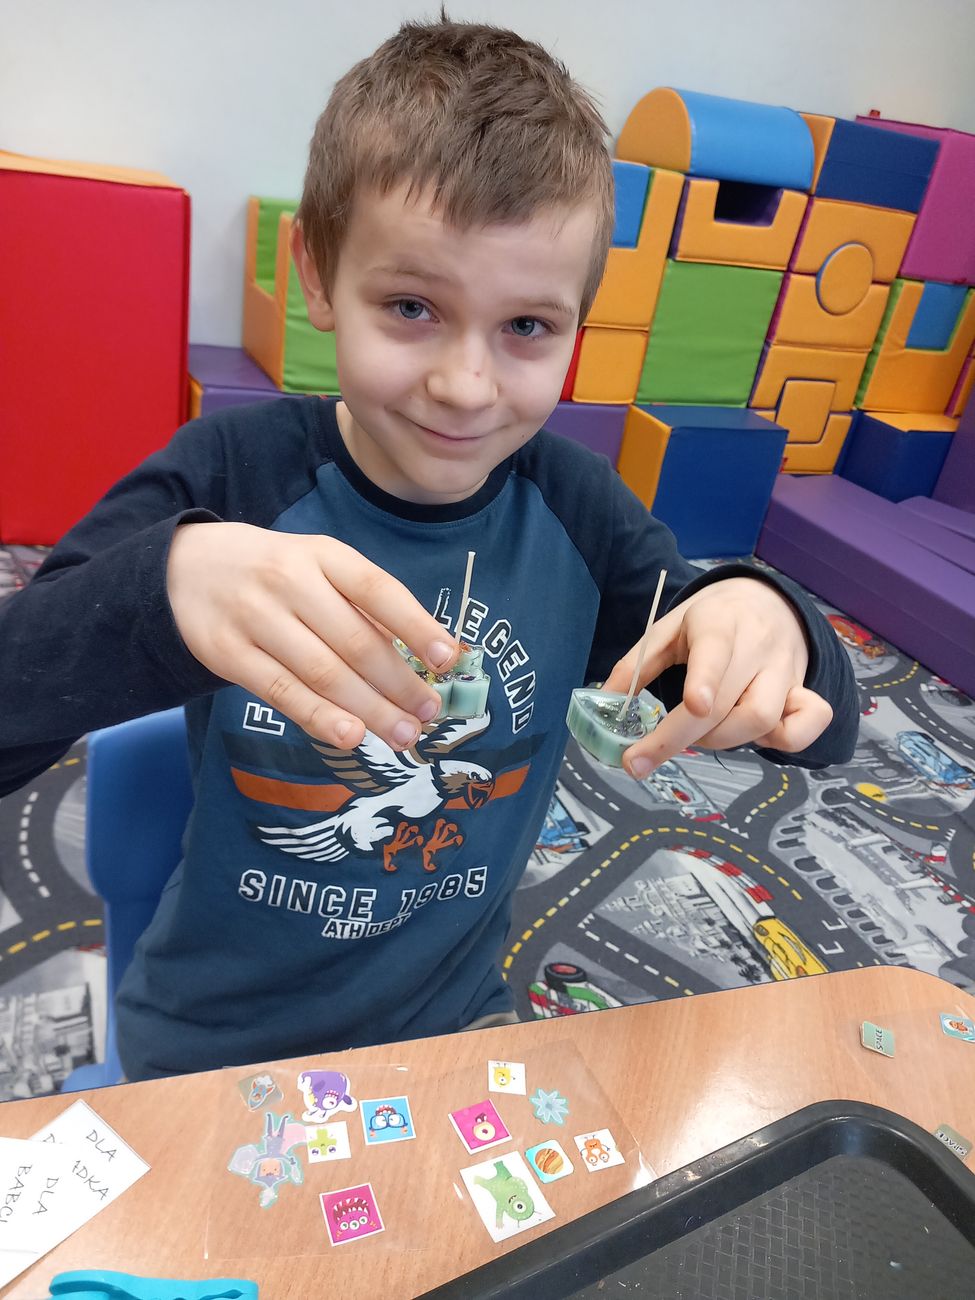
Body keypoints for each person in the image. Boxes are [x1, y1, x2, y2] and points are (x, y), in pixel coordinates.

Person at [0, 14, 857, 1081]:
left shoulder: (579, 514)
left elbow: (811, 729)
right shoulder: (231, 478)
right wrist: (165, 586)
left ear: (578, 324)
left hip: (448, 1032)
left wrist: (769, 616)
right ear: (317, 277)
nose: (465, 385)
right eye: (412, 306)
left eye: (527, 327)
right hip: (211, 1043)